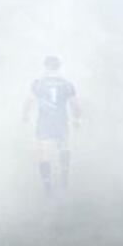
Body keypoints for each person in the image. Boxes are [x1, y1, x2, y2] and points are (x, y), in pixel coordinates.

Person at [22, 56, 82, 195]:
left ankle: (47, 186)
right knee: (64, 146)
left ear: (45, 67)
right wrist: (77, 120)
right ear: (59, 67)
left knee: (43, 152)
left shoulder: (38, 83)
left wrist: (25, 115)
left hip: (45, 121)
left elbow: (29, 101)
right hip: (61, 120)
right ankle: (64, 179)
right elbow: (76, 106)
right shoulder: (67, 84)